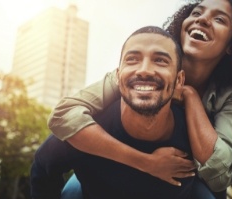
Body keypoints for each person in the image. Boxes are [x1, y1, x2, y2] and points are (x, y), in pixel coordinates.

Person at [49, 0, 232, 197]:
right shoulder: (137, 74)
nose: (202, 20)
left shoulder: (228, 97)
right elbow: (64, 115)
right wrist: (145, 162)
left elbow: (222, 174)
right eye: (196, 13)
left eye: (220, 19)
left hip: (181, 183)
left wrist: (190, 97)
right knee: (72, 192)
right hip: (113, 167)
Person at [31, 26, 197, 199]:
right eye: (132, 59)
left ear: (179, 80)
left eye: (160, 60)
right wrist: (147, 162)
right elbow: (43, 166)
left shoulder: (193, 133)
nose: (144, 70)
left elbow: (216, 182)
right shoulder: (84, 131)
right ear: (117, 76)